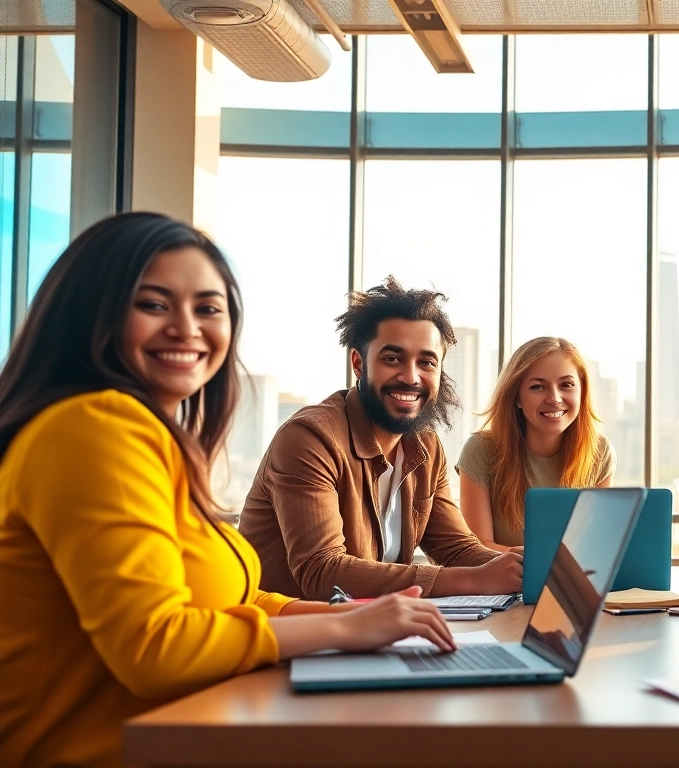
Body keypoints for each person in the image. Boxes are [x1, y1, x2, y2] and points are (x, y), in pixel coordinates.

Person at [0, 214, 456, 768]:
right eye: (154, 304)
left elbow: (236, 600)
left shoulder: (152, 440)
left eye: (208, 308)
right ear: (94, 312)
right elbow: (153, 646)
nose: (187, 327)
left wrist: (364, 620)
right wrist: (342, 625)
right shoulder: (93, 428)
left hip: (194, 729)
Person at [240, 278, 521, 600]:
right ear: (359, 363)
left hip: (371, 631)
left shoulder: (425, 445)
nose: (411, 377)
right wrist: (473, 581)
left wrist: (529, 570)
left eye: (426, 363)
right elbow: (321, 572)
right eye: (392, 359)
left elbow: (456, 548)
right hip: (288, 636)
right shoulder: (309, 437)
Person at [457, 337, 614, 552]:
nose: (555, 398)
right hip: (503, 585)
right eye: (538, 387)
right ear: (517, 398)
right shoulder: (481, 450)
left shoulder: (600, 452)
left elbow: (596, 549)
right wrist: (540, 560)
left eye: (566, 385)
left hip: (573, 584)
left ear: (582, 392)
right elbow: (477, 549)